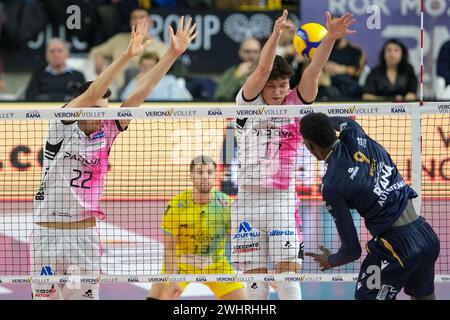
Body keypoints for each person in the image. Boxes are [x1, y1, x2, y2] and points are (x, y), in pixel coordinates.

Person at [30, 17, 197, 300]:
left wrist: (172, 54)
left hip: (85, 236)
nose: (102, 115)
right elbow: (94, 91)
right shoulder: (61, 124)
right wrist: (127, 55)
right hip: (47, 234)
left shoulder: (109, 129)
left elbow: (140, 92)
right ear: (79, 107)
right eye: (96, 109)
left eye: (105, 110)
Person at [231, 10, 356, 300]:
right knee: (255, 285)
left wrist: (331, 39)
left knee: (288, 278)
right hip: (247, 202)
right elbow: (261, 70)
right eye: (271, 86)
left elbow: (313, 70)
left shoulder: (295, 104)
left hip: (281, 201)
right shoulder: (246, 103)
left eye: (282, 85)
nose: (276, 92)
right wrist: (275, 35)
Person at [301, 113, 440, 300]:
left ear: (309, 146)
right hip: (426, 236)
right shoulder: (354, 133)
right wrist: (323, 120)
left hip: (395, 248)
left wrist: (331, 260)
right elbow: (347, 121)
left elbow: (351, 251)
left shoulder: (331, 183)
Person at [147, 156, 246, 300]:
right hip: (181, 265)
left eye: (210, 172)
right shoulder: (176, 206)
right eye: (200, 172)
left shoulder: (227, 205)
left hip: (217, 266)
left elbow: (238, 242)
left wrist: (257, 270)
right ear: (191, 176)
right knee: (158, 297)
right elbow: (169, 248)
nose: (205, 176)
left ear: (215, 175)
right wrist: (173, 278)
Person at [89, 8, 167, 91]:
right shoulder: (118, 40)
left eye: (142, 17)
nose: (138, 21)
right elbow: (95, 51)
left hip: (148, 91)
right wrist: (98, 58)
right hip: (117, 91)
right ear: (130, 22)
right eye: (134, 18)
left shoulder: (161, 47)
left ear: (150, 22)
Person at [121, 52, 191, 101]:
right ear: (139, 67)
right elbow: (123, 100)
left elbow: (177, 100)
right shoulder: (135, 81)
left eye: (151, 66)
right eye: (144, 67)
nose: (148, 69)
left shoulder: (169, 80)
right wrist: (137, 84)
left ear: (158, 67)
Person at [325, 20, 366, 99]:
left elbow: (357, 71)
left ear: (344, 29)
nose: (334, 31)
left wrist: (341, 69)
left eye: (337, 27)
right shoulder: (324, 50)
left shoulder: (355, 51)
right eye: (331, 28)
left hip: (349, 87)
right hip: (329, 87)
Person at [214, 37, 261, 101]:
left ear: (260, 53)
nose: (251, 55)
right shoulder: (231, 72)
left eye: (255, 52)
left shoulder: (265, 72)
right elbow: (221, 95)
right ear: (240, 53)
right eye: (247, 51)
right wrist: (238, 75)